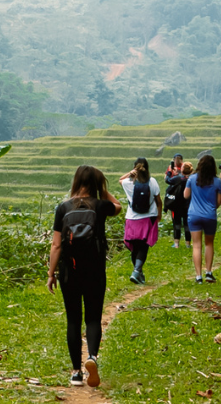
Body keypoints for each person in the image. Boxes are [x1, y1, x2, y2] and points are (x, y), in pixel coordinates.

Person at [46, 165, 120, 387]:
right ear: (96, 184)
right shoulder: (100, 206)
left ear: (76, 182)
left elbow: (57, 245)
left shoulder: (63, 208)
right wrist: (103, 188)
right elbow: (118, 206)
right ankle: (92, 357)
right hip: (95, 270)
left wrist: (51, 274)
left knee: (73, 320)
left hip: (69, 271)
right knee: (93, 318)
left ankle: (76, 372)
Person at [118, 157, 160, 284]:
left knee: (135, 247)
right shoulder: (152, 181)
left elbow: (120, 180)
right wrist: (159, 215)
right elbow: (158, 200)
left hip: (132, 218)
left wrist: (130, 173)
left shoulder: (127, 183)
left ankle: (137, 272)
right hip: (148, 217)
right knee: (143, 246)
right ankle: (137, 271)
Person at [185, 154, 221, 282]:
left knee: (196, 245)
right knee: (209, 244)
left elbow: (186, 195)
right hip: (209, 216)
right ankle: (208, 272)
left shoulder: (192, 178)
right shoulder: (217, 182)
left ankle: (198, 276)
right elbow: (219, 202)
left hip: (194, 215)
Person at [164, 157, 189, 247]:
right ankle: (188, 244)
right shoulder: (191, 179)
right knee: (187, 224)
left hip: (176, 205)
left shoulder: (177, 178)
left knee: (177, 224)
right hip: (187, 205)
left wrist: (170, 172)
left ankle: (176, 243)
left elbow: (167, 180)